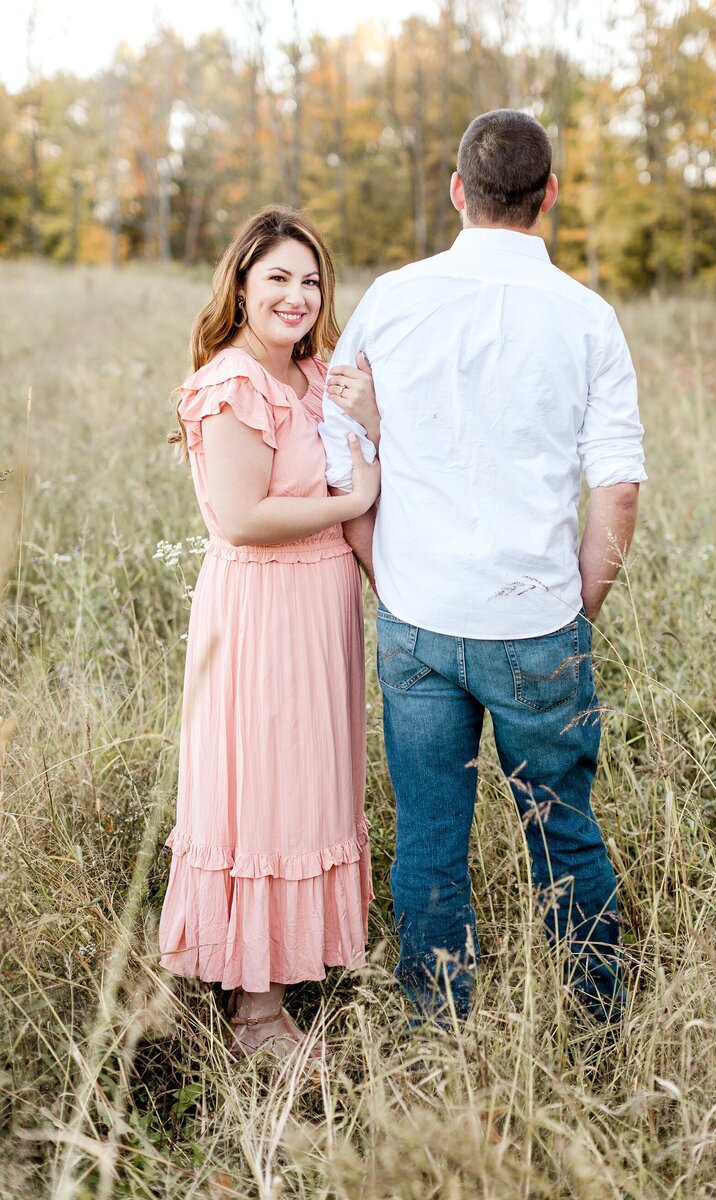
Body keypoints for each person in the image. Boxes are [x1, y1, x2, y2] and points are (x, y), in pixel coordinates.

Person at [320, 109, 646, 1025]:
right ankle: (597, 1018)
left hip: (416, 615)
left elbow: (338, 439)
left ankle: (437, 1026)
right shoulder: (588, 317)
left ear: (458, 191)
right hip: (536, 620)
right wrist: (576, 601)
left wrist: (377, 563)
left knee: (428, 836)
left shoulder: (393, 298)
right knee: (563, 829)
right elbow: (615, 488)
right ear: (549, 196)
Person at [158, 205, 381, 1058]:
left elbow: (364, 462)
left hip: (323, 604)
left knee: (313, 784)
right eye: (278, 278)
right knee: (265, 790)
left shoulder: (319, 377)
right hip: (261, 611)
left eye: (311, 279)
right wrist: (352, 501)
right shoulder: (231, 382)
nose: (297, 295)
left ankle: (285, 966)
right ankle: (255, 1015)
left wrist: (373, 422)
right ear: (242, 285)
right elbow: (245, 518)